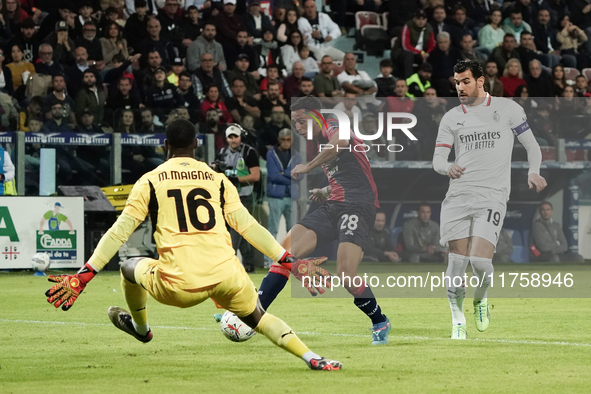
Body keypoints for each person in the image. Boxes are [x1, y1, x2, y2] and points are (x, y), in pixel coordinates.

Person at [44, 119, 342, 372]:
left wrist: (84, 275)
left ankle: (141, 330)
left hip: (180, 285)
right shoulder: (218, 180)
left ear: (165, 146)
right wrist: (290, 260)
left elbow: (118, 232)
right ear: (197, 146)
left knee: (127, 267)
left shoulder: (150, 181)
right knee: (259, 318)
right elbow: (249, 227)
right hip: (227, 276)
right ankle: (313, 358)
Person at [257, 96, 392, 346]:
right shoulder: (322, 140)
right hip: (334, 205)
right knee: (284, 253)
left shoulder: (333, 123)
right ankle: (253, 315)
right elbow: (353, 173)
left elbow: (341, 143)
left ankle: (379, 321)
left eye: (300, 121)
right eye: (294, 122)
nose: (297, 127)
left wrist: (308, 167)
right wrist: (326, 191)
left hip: (358, 207)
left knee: (346, 275)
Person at [433, 60, 547, 339]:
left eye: (466, 81)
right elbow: (437, 159)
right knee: (457, 263)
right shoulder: (450, 118)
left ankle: (480, 298)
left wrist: (534, 171)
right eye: (457, 82)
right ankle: (457, 317)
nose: (460, 87)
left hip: (493, 196)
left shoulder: (507, 109)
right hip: (458, 195)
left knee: (480, 262)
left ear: (481, 81)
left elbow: (531, 145)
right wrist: (448, 167)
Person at [216, 124, 261, 273]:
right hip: (227, 197)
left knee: (236, 231)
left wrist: (236, 179)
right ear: (227, 138)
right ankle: (248, 263)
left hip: (244, 196)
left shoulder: (249, 152)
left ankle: (229, 262)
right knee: (238, 229)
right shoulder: (222, 152)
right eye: (230, 137)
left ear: (241, 137)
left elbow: (256, 175)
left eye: (236, 136)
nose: (233, 140)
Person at [265, 128, 300, 267]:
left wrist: (283, 173)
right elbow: (273, 175)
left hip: (291, 196)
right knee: (272, 229)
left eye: (288, 140)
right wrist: (290, 175)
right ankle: (268, 260)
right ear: (279, 140)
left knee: (292, 230)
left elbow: (300, 175)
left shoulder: (297, 155)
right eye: (283, 140)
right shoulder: (271, 154)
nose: (286, 142)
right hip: (276, 196)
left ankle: (290, 259)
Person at [391, 9, 436, 79]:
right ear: (414, 19)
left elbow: (432, 44)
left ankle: (429, 80)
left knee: (435, 55)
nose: (421, 21)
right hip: (401, 52)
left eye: (423, 19)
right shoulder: (408, 26)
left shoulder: (429, 28)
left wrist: (427, 53)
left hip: (420, 54)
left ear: (426, 20)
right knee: (409, 55)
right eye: (418, 19)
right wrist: (421, 52)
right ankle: (409, 79)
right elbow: (405, 46)